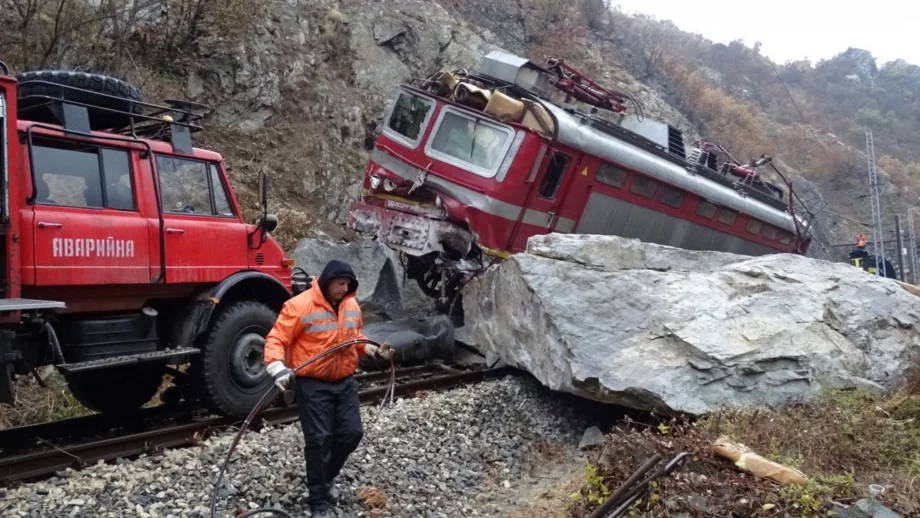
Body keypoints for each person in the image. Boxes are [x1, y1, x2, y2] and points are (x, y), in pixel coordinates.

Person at [263, 259, 393, 517]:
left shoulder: (351, 306)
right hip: (313, 384)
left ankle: (325, 477)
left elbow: (355, 339)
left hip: (344, 382)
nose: (344, 288)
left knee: (351, 434)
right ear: (326, 281)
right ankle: (318, 502)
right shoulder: (300, 305)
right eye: (340, 283)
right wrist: (277, 368)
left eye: (348, 284)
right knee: (319, 441)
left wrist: (374, 350)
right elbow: (277, 338)